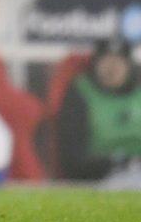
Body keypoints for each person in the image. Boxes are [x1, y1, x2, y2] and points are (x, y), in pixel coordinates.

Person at [56, 39, 141, 182]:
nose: (112, 68)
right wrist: (117, 163)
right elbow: (72, 154)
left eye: (118, 63)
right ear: (95, 65)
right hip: (100, 177)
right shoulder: (80, 94)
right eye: (107, 62)